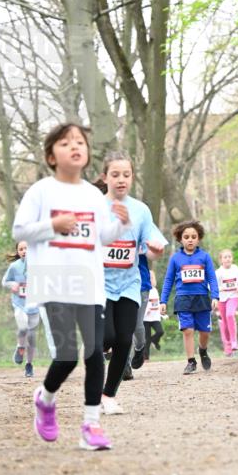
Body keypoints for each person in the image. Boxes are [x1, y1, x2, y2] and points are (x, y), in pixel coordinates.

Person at [12, 123, 130, 450]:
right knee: (67, 357)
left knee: (94, 352)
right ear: (52, 156)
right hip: (52, 280)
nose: (75, 146)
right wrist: (53, 225)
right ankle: (46, 398)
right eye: (66, 143)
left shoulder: (92, 194)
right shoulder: (41, 192)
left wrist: (118, 223)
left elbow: (101, 237)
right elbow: (20, 230)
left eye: (80, 142)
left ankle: (91, 426)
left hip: (88, 282)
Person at [96, 152, 165, 413]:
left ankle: (108, 396)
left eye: (126, 174)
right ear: (105, 177)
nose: (121, 179)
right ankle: (94, 343)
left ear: (132, 177)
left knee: (124, 339)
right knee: (108, 337)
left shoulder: (141, 210)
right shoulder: (95, 207)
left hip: (129, 284)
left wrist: (155, 251)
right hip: (99, 284)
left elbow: (150, 249)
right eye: (115, 174)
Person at [160, 220, 219, 375]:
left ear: (198, 238)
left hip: (201, 298)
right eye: (186, 237)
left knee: (204, 332)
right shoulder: (175, 258)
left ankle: (203, 350)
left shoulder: (205, 257)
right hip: (183, 298)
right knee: (188, 330)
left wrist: (215, 296)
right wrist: (163, 301)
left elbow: (212, 278)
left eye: (194, 236)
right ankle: (191, 361)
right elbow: (168, 280)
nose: (190, 239)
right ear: (180, 239)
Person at [1, 241, 40, 378]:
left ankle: (29, 365)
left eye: (27, 248)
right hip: (19, 303)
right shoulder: (14, 266)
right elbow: (4, 281)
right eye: (21, 249)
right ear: (18, 252)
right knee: (23, 327)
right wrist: (12, 284)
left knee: (32, 336)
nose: (24, 251)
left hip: (35, 305)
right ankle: (20, 347)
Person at [215, 249, 238, 356]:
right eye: (225, 257)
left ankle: (234, 341)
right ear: (221, 260)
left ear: (232, 258)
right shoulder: (218, 272)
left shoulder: (235, 269)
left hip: (233, 296)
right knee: (225, 322)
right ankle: (227, 346)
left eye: (229, 257)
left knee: (230, 315)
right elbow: (211, 285)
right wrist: (220, 288)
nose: (228, 259)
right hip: (222, 299)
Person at [130, 252, 153, 370]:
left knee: (135, 324)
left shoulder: (143, 233)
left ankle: (139, 347)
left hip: (141, 285)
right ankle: (125, 367)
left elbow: (155, 253)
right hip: (118, 285)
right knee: (122, 325)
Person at [143, 270, 165, 359]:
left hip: (155, 317)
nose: (151, 280)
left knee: (160, 331)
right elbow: (143, 303)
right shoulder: (145, 290)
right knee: (146, 339)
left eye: (152, 278)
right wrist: (146, 311)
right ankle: (146, 357)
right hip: (145, 318)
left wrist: (161, 310)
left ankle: (154, 340)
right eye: (149, 278)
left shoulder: (155, 290)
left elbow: (157, 302)